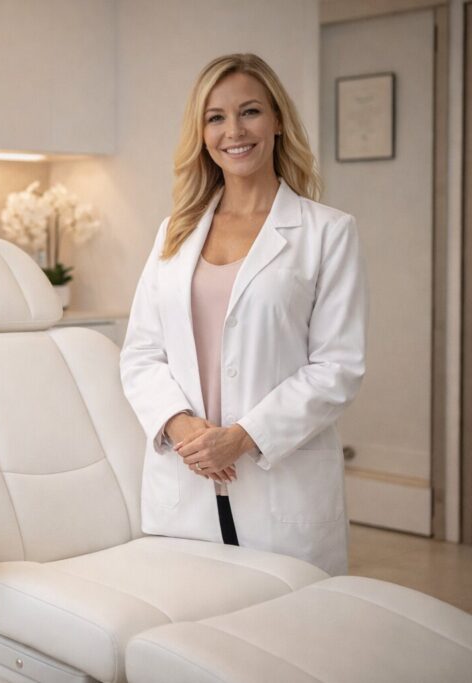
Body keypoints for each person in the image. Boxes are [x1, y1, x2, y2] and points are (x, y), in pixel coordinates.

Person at [119, 53, 368, 576]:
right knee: (188, 639)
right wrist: (182, 426)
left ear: (277, 121)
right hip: (185, 483)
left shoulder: (327, 232)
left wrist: (242, 436)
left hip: (282, 490)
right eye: (216, 117)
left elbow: (337, 368)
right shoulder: (175, 232)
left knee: (285, 644)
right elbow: (141, 352)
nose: (234, 130)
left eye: (250, 111)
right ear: (202, 132)